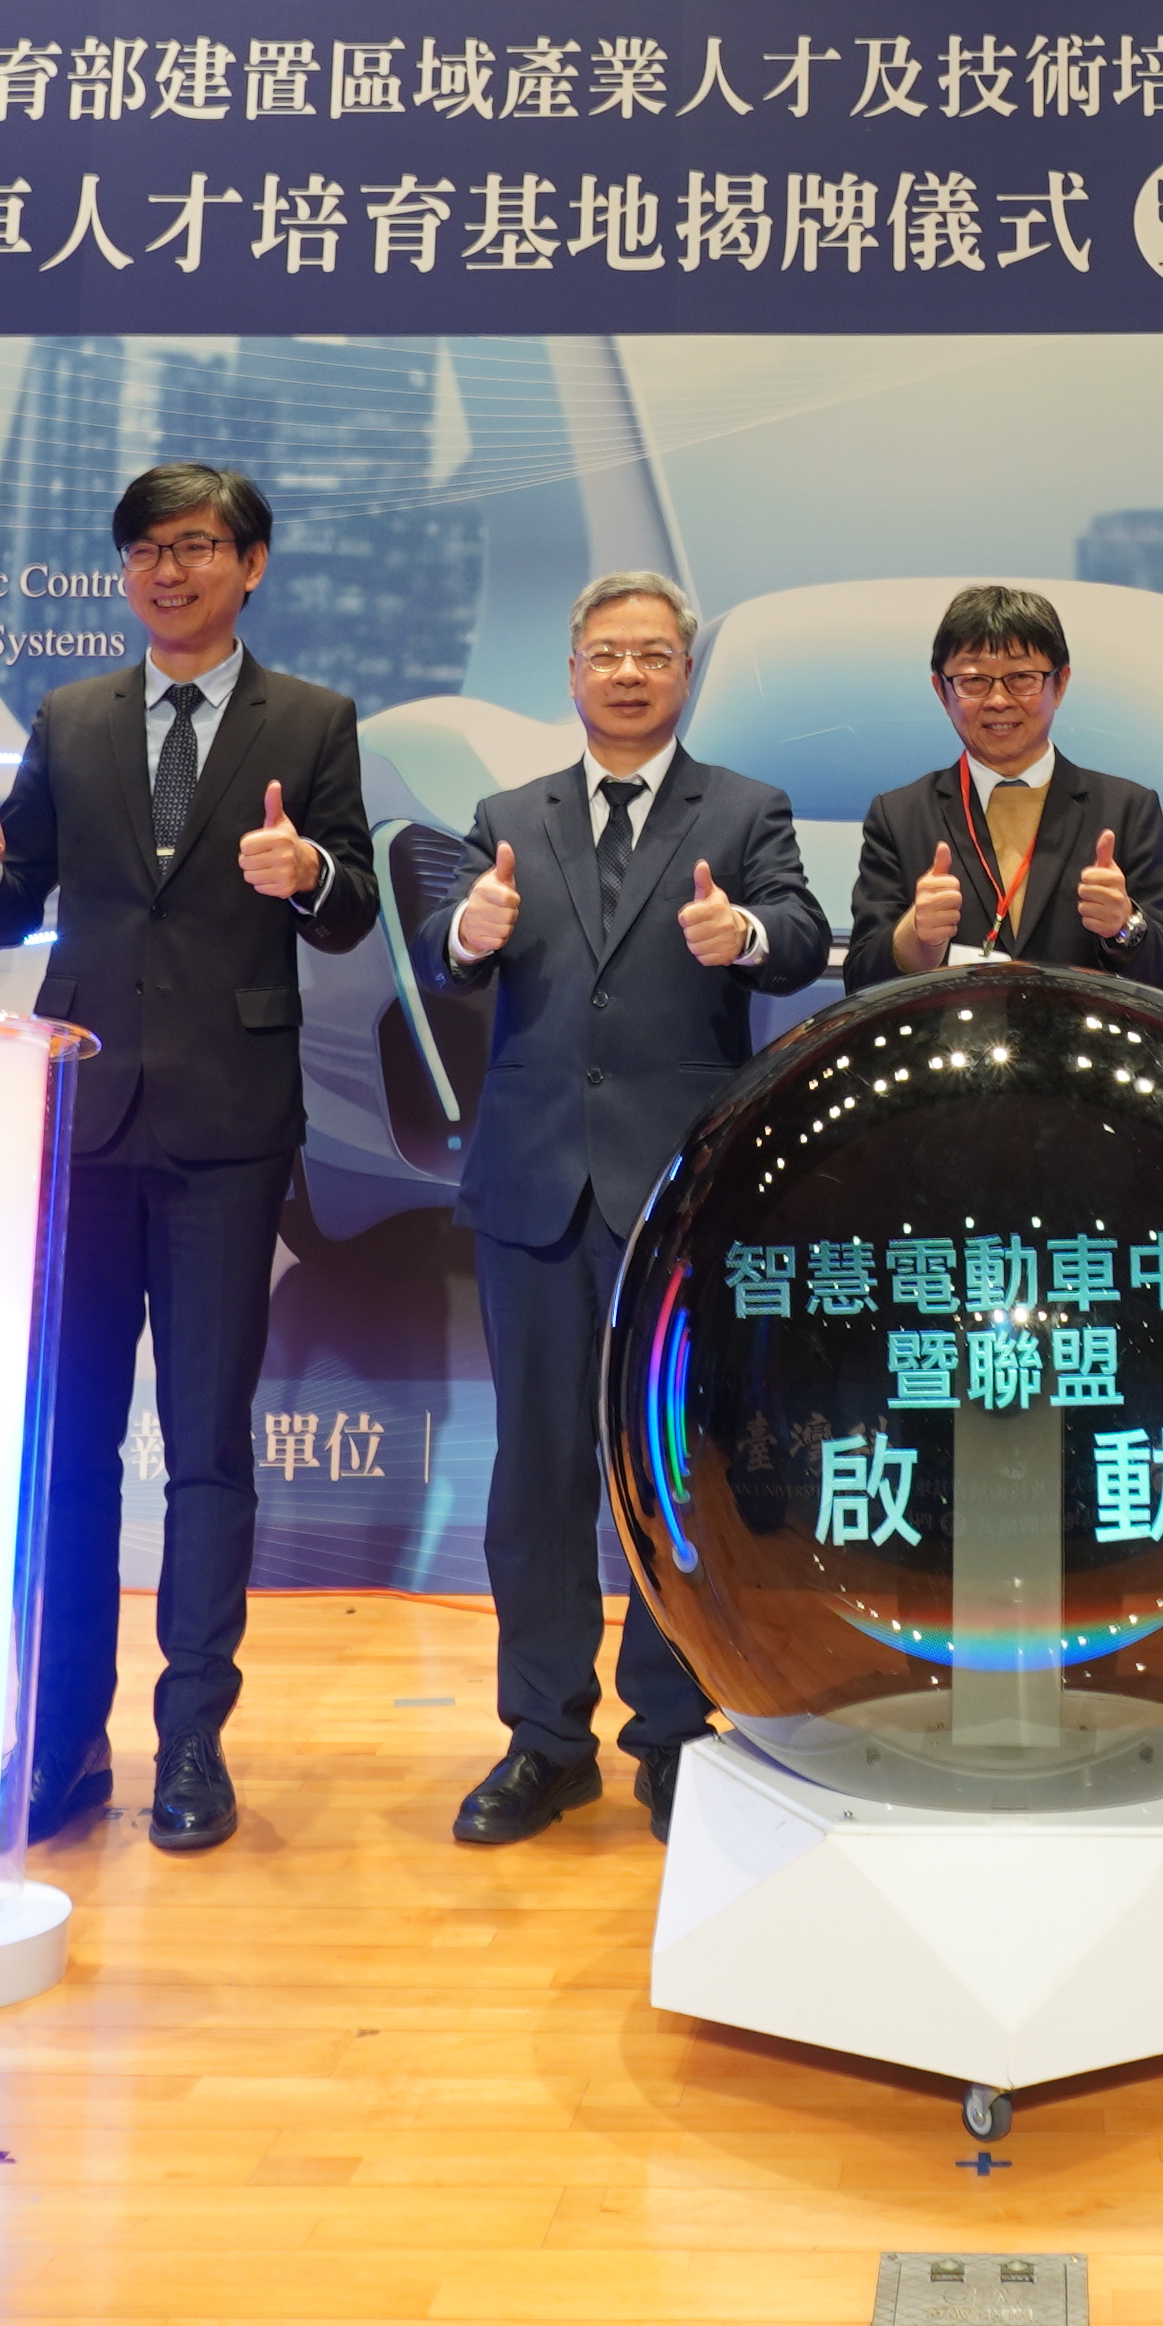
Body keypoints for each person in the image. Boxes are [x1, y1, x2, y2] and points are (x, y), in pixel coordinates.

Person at [0, 462, 385, 1858]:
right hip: (78, 1123)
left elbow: (353, 899)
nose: (167, 572)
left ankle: (191, 1742)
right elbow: (13, 897)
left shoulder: (311, 718)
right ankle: (62, 1741)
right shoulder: (71, 717)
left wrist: (302, 874)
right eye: (144, 550)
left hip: (228, 1132)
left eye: (195, 547)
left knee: (203, 1449)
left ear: (252, 563)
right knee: (66, 1448)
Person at [405, 572, 831, 1840]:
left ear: (686, 671)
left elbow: (804, 934)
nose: (630, 672)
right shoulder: (508, 814)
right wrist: (467, 934)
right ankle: (542, 1739)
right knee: (536, 1477)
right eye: (607, 652)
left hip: (680, 1194)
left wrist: (746, 936)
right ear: (574, 671)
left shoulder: (744, 808)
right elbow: (443, 944)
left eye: (654, 652)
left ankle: (669, 1728)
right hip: (533, 1184)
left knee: (669, 1472)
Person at [839, 584, 1163, 994]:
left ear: (1060, 684)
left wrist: (1123, 926)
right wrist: (915, 938)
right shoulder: (899, 816)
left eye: (1022, 678)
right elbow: (860, 984)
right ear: (942, 691)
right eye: (974, 681)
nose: (999, 700)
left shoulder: (1127, 810)